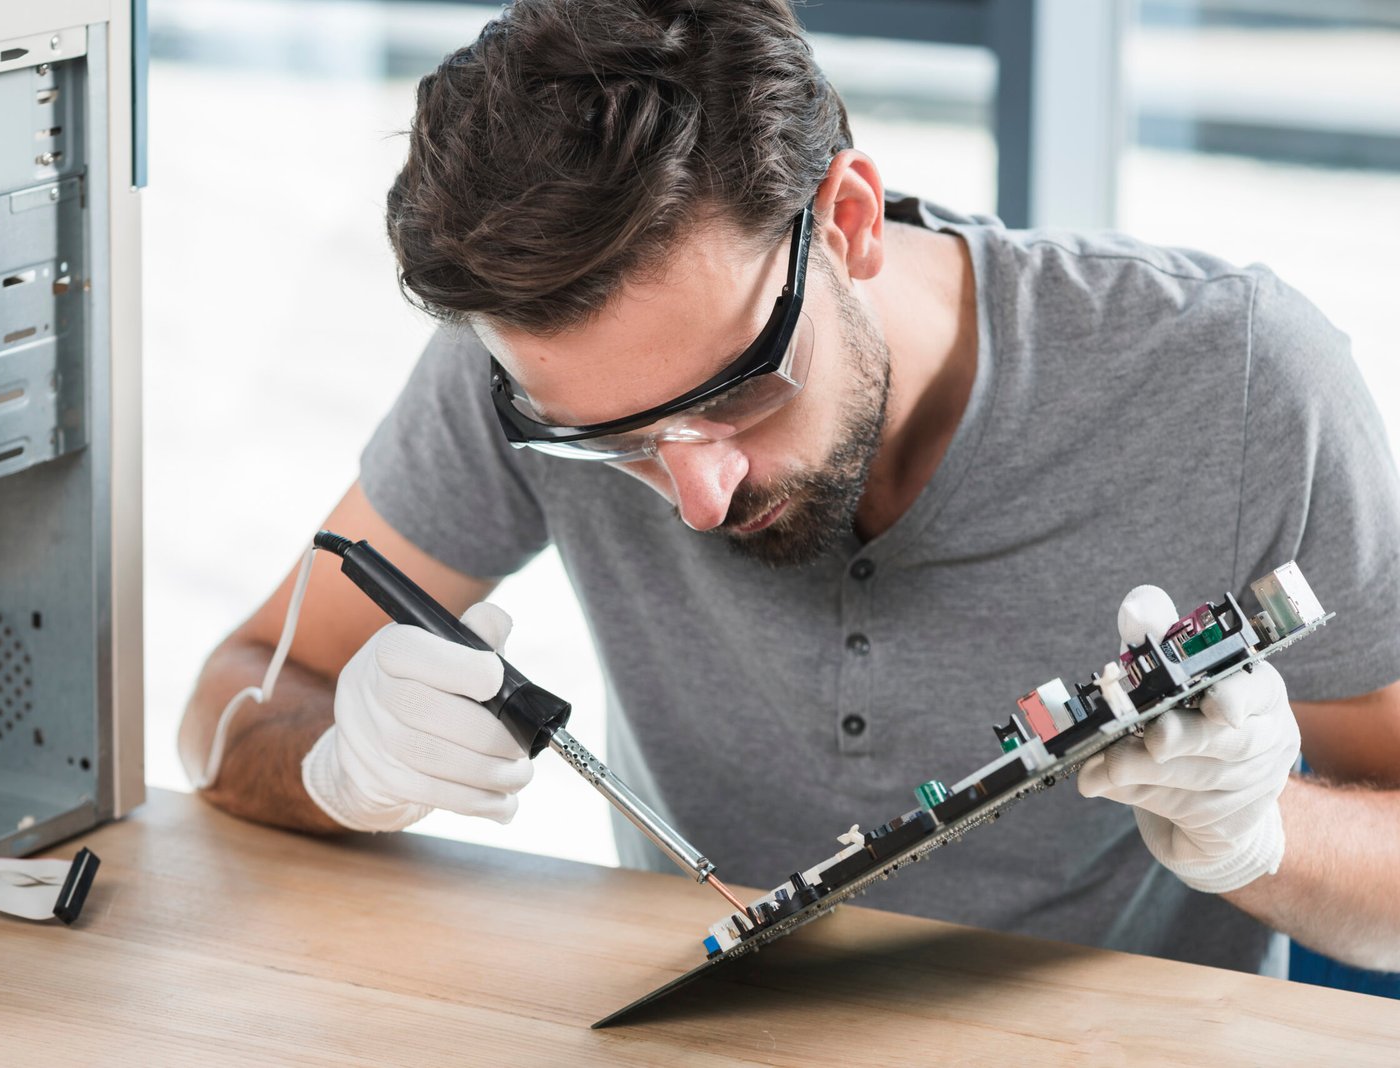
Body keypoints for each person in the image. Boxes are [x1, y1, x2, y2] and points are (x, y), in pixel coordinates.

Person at [179, 0, 1400, 976]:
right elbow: (232, 699)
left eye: (738, 390)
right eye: (616, 443)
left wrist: (1267, 832)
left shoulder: (1237, 381)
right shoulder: (535, 377)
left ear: (851, 220)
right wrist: (339, 763)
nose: (695, 495)